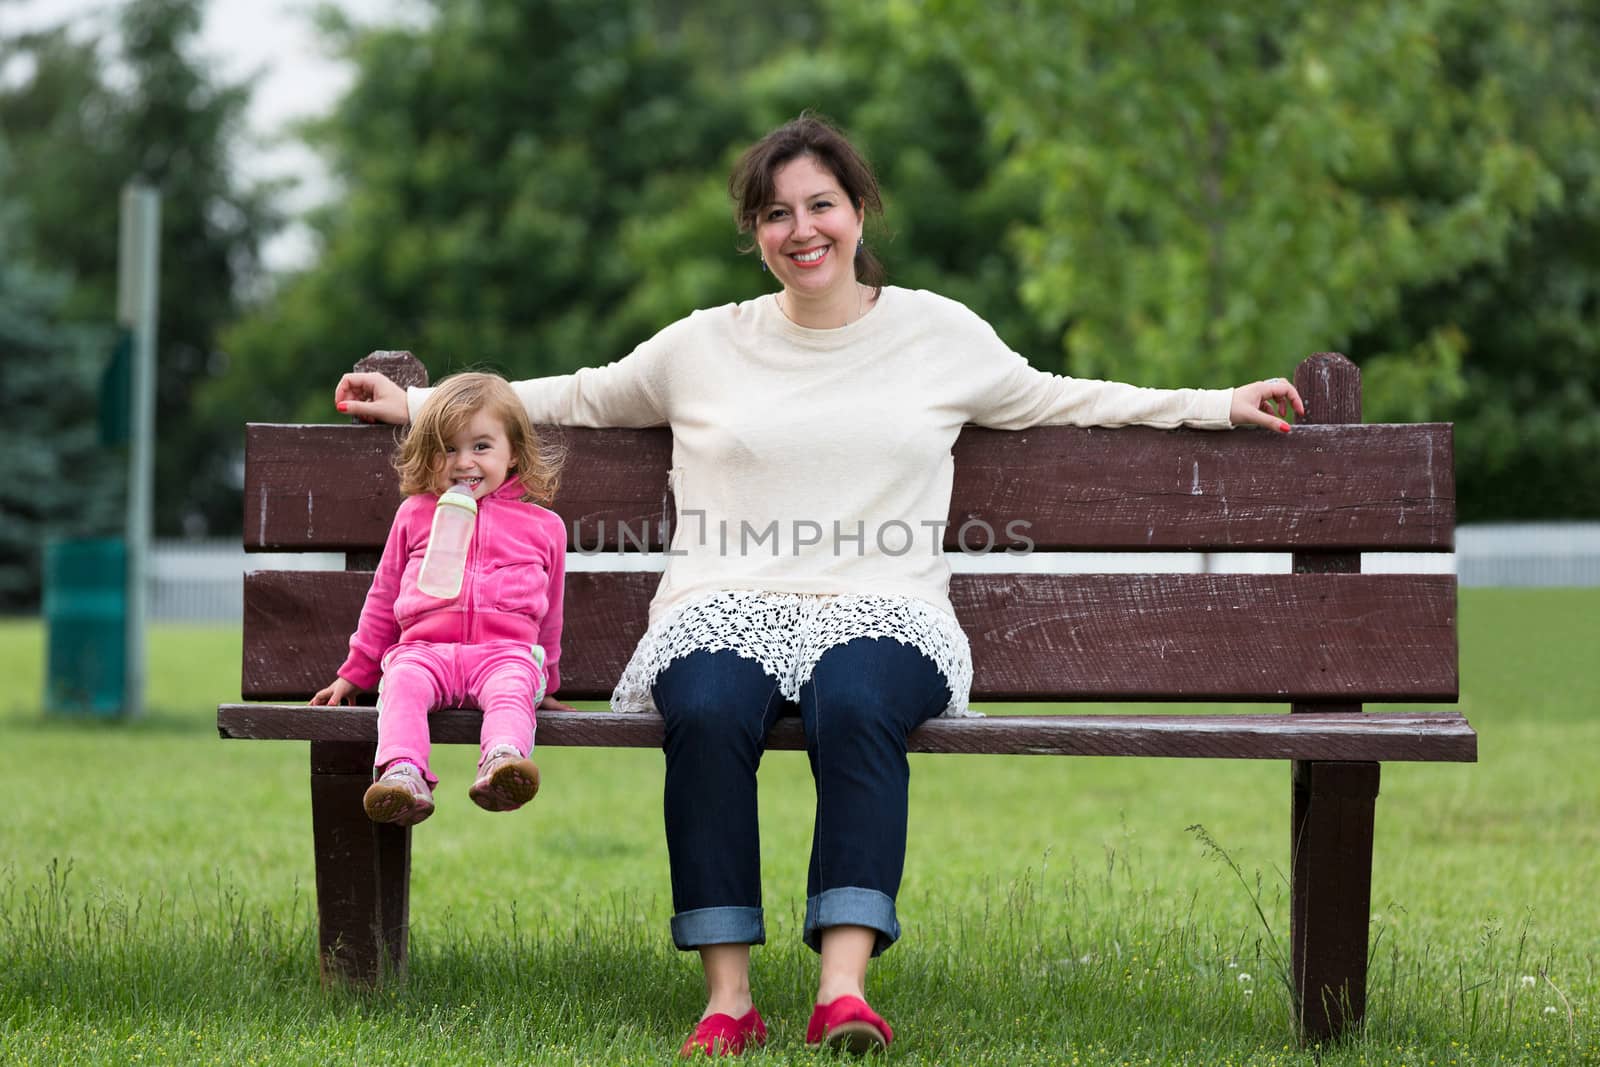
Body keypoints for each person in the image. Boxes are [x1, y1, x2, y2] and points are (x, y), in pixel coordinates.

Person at [334, 114, 1303, 1056]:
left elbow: (1068, 396)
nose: (801, 230)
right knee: (707, 708)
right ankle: (728, 998)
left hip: (886, 603)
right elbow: (572, 392)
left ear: (859, 212)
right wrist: (420, 403)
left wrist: (1217, 403)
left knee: (854, 699)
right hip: (723, 598)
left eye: (820, 205)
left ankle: (843, 989)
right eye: (775, 214)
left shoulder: (939, 335)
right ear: (755, 235)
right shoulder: (701, 345)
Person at [313, 371, 567, 828]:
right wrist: (356, 672)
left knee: (512, 690)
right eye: (448, 448)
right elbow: (383, 596)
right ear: (429, 456)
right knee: (402, 681)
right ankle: (402, 775)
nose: (463, 461)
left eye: (481, 446)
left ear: (514, 455)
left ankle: (503, 765)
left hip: (504, 656)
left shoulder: (543, 527)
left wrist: (543, 680)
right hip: (424, 651)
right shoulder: (415, 514)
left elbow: (551, 614)